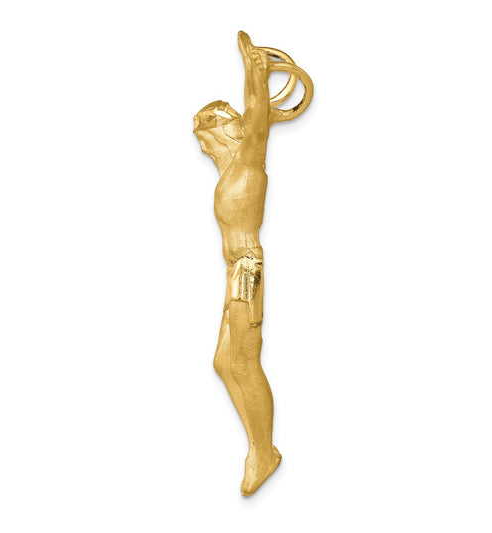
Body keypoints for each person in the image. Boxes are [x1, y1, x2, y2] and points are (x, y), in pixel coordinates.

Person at [193, 31, 280, 497]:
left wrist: (256, 70)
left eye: (207, 132)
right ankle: (259, 446)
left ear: (229, 130)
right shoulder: (230, 173)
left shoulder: (249, 162)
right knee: (225, 362)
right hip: (236, 271)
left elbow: (257, 119)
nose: (202, 143)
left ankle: (263, 451)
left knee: (243, 359)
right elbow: (253, 115)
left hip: (247, 270)